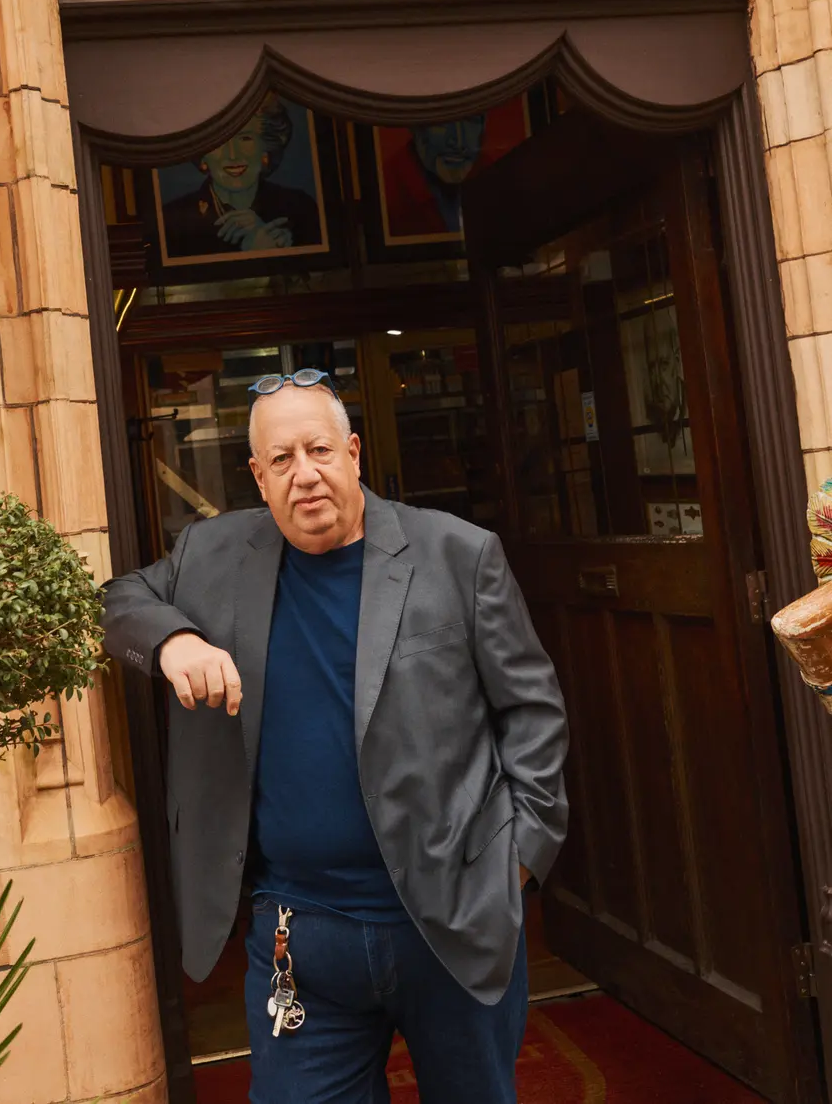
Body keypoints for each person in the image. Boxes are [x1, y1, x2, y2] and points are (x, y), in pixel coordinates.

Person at [101, 369, 569, 1103]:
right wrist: (172, 643)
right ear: (257, 477)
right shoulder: (211, 557)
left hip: (453, 925)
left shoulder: (457, 554)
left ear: (351, 452)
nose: (304, 474)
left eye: (317, 450)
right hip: (300, 939)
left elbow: (533, 713)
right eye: (281, 460)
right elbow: (118, 601)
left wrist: (514, 866)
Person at [159, 94, 323, 259]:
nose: (232, 155)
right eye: (219, 141)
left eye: (245, 138)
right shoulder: (172, 219)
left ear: (265, 151)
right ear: (203, 158)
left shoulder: (300, 208)